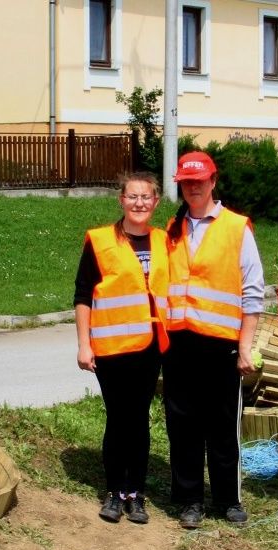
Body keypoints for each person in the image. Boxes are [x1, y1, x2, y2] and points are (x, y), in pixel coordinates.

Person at [163, 151, 264, 529]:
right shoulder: (172, 230)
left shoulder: (236, 228)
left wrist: (245, 347)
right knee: (183, 424)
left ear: (213, 181)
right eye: (187, 182)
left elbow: (253, 292)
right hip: (179, 343)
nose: (193, 187)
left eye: (199, 181)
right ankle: (189, 499)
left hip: (221, 344)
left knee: (222, 425)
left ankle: (228, 499)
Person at [74, 171, 169, 524]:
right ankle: (115, 491)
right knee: (118, 418)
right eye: (133, 196)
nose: (139, 203)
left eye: (146, 197)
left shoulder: (164, 241)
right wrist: (84, 345)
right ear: (121, 200)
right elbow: (83, 295)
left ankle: (136, 494)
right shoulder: (100, 241)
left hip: (150, 347)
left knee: (139, 419)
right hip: (111, 348)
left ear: (156, 202)